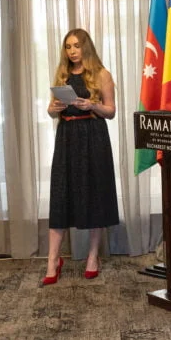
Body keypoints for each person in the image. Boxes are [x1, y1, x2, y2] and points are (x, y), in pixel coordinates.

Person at [42, 28, 119, 286]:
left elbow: (111, 111)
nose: (72, 51)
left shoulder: (101, 74)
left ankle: (93, 256)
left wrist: (92, 105)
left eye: (76, 46)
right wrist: (53, 108)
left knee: (95, 194)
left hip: (93, 136)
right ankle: (53, 260)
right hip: (67, 137)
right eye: (68, 47)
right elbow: (53, 111)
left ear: (86, 47)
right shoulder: (62, 73)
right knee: (61, 195)